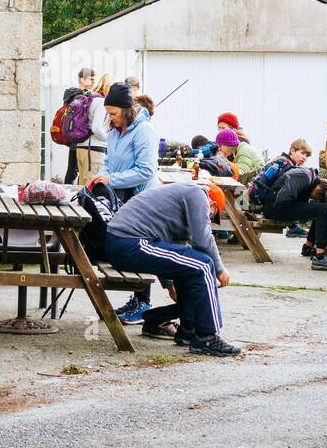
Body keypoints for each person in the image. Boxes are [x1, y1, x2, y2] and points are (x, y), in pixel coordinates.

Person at [104, 182, 241, 356]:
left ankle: (188, 332)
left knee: (192, 266)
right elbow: (202, 239)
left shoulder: (181, 197)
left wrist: (170, 285)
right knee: (203, 265)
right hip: (131, 241)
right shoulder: (198, 194)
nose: (209, 220)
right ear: (212, 204)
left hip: (124, 242)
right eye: (212, 216)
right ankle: (207, 338)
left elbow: (177, 248)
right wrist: (220, 269)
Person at [89, 82, 160, 324]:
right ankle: (136, 299)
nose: (110, 118)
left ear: (127, 109)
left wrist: (112, 179)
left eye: (113, 113)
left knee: (140, 248)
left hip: (142, 199)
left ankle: (143, 302)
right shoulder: (114, 132)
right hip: (120, 198)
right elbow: (108, 162)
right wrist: (102, 176)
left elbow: (146, 170)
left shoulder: (144, 131)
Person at [262, 156, 327, 270]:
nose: (314, 199)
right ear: (318, 188)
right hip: (275, 208)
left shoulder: (308, 176)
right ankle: (320, 258)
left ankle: (309, 248)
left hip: (275, 205)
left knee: (320, 209)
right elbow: (283, 198)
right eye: (317, 197)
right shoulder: (304, 177)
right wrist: (299, 216)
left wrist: (304, 209)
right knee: (323, 209)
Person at [75, 74, 113, 186]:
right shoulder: (102, 102)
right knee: (92, 185)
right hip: (94, 149)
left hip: (82, 146)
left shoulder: (91, 99)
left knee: (83, 183)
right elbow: (96, 128)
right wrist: (110, 140)